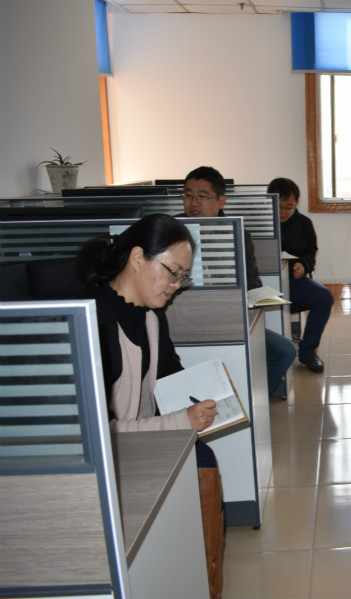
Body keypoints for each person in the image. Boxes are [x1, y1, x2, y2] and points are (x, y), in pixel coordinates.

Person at [75, 213, 225, 598]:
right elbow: (95, 435)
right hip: (109, 458)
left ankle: (204, 578)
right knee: (201, 459)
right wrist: (181, 421)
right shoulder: (94, 325)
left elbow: (172, 375)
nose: (175, 287)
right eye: (173, 273)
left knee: (202, 457)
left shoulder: (151, 315)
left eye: (182, 278)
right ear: (138, 257)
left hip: (140, 438)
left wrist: (215, 391)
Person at [181, 166, 297, 395]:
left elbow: (252, 281)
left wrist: (256, 297)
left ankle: (251, 401)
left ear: (221, 201)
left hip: (228, 316)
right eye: (188, 195)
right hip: (184, 320)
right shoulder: (170, 231)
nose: (193, 202)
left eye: (202, 196)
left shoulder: (236, 234)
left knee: (285, 351)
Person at [267, 177, 334, 373]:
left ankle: (308, 351)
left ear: (297, 202)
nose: (283, 212)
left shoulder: (304, 223)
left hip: (293, 282)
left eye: (289, 207)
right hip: (264, 283)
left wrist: (303, 265)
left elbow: (311, 252)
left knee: (324, 297)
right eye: (279, 206)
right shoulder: (258, 222)